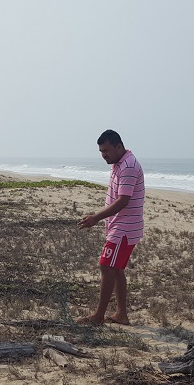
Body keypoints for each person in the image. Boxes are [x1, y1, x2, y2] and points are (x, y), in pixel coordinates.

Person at [77, 129, 144, 326]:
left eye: (106, 150)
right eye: (101, 151)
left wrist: (97, 217)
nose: (103, 155)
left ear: (118, 146)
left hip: (124, 228)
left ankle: (98, 316)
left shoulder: (129, 166)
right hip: (119, 225)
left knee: (106, 266)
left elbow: (123, 200)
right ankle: (121, 314)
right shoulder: (118, 163)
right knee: (116, 269)